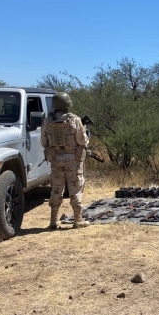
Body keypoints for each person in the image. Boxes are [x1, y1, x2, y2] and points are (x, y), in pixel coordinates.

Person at [41, 92, 90, 229]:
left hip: (56, 159)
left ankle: (53, 221)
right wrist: (87, 137)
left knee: (56, 189)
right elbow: (81, 140)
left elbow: (44, 142)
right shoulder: (74, 119)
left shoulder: (47, 120)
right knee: (75, 188)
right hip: (73, 160)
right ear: (68, 104)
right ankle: (78, 219)